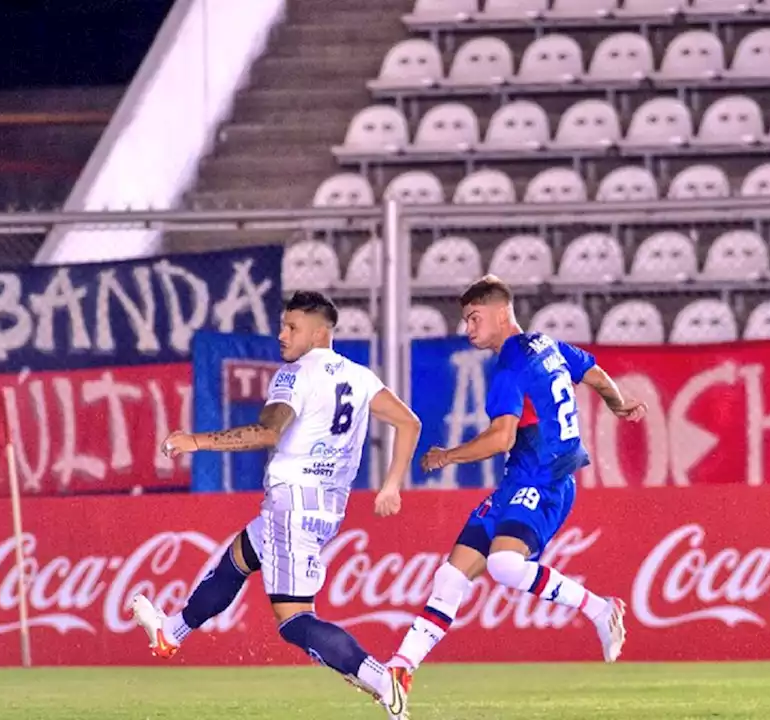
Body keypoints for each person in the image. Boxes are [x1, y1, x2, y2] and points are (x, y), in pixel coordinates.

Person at [129, 290, 422, 720]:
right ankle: (171, 632)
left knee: (294, 622)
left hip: (292, 503)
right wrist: (391, 484)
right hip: (325, 508)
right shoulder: (362, 378)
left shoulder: (295, 375)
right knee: (236, 561)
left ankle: (381, 677)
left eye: (292, 327)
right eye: (283, 325)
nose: (282, 335)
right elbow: (409, 423)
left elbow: (268, 432)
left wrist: (194, 441)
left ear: (320, 333)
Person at [387, 275, 646, 689]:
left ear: (501, 312)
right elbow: (594, 373)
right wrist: (618, 405)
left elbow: (502, 438)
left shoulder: (510, 364)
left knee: (504, 564)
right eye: (465, 320)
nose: (468, 329)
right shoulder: (547, 345)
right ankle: (400, 670)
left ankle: (600, 609)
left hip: (546, 480)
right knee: (450, 577)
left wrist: (447, 456)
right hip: (519, 481)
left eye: (474, 318)